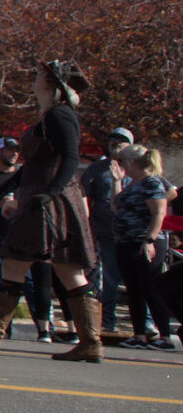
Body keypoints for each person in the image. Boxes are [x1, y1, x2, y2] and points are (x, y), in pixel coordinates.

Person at [0, 60, 103, 361]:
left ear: (51, 83)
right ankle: (90, 342)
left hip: (49, 200)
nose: (34, 79)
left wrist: (50, 192)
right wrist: (8, 188)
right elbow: (32, 166)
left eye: (39, 76)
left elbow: (71, 158)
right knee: (63, 269)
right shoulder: (48, 116)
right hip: (42, 197)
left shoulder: (60, 115)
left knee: (21, 263)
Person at [114, 146, 176, 350]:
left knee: (151, 288)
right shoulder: (133, 183)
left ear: (131, 162)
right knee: (134, 290)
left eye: (122, 161)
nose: (121, 165)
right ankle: (139, 334)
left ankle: (165, 337)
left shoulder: (152, 182)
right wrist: (116, 181)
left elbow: (159, 212)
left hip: (145, 242)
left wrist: (149, 240)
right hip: (126, 241)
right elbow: (116, 206)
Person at [82, 126, 133, 331]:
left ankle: (144, 323)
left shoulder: (136, 167)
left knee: (135, 279)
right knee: (109, 279)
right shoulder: (96, 169)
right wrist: (87, 228)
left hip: (131, 234)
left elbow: (167, 191)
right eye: (113, 139)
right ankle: (107, 321)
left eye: (122, 140)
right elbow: (84, 197)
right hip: (105, 232)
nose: (116, 143)